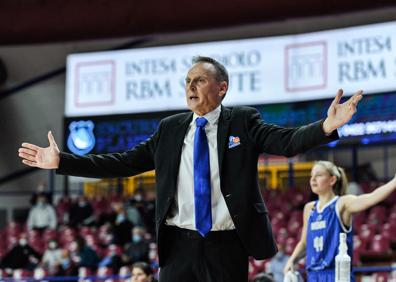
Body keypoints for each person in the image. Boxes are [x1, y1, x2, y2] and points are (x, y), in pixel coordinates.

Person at [18, 56, 363, 282]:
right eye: (187, 81)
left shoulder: (243, 121)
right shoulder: (170, 129)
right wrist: (63, 161)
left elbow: (287, 142)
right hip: (178, 244)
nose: (191, 87)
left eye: (199, 80)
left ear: (221, 88)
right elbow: (122, 163)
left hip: (226, 244)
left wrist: (326, 126)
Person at [283, 160, 396, 281]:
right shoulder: (309, 208)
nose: (313, 179)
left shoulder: (342, 204)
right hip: (313, 275)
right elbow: (304, 243)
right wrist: (291, 260)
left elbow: (372, 197)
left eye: (319, 175)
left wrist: (394, 182)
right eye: (312, 175)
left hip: (337, 274)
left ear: (332, 180)